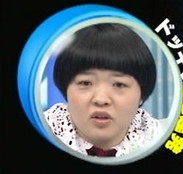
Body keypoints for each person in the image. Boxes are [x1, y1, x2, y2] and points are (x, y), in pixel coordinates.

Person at [42, 23, 161, 158]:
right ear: (65, 88)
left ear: (142, 94)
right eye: (85, 83)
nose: (101, 99)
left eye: (119, 84)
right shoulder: (41, 131)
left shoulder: (161, 138)